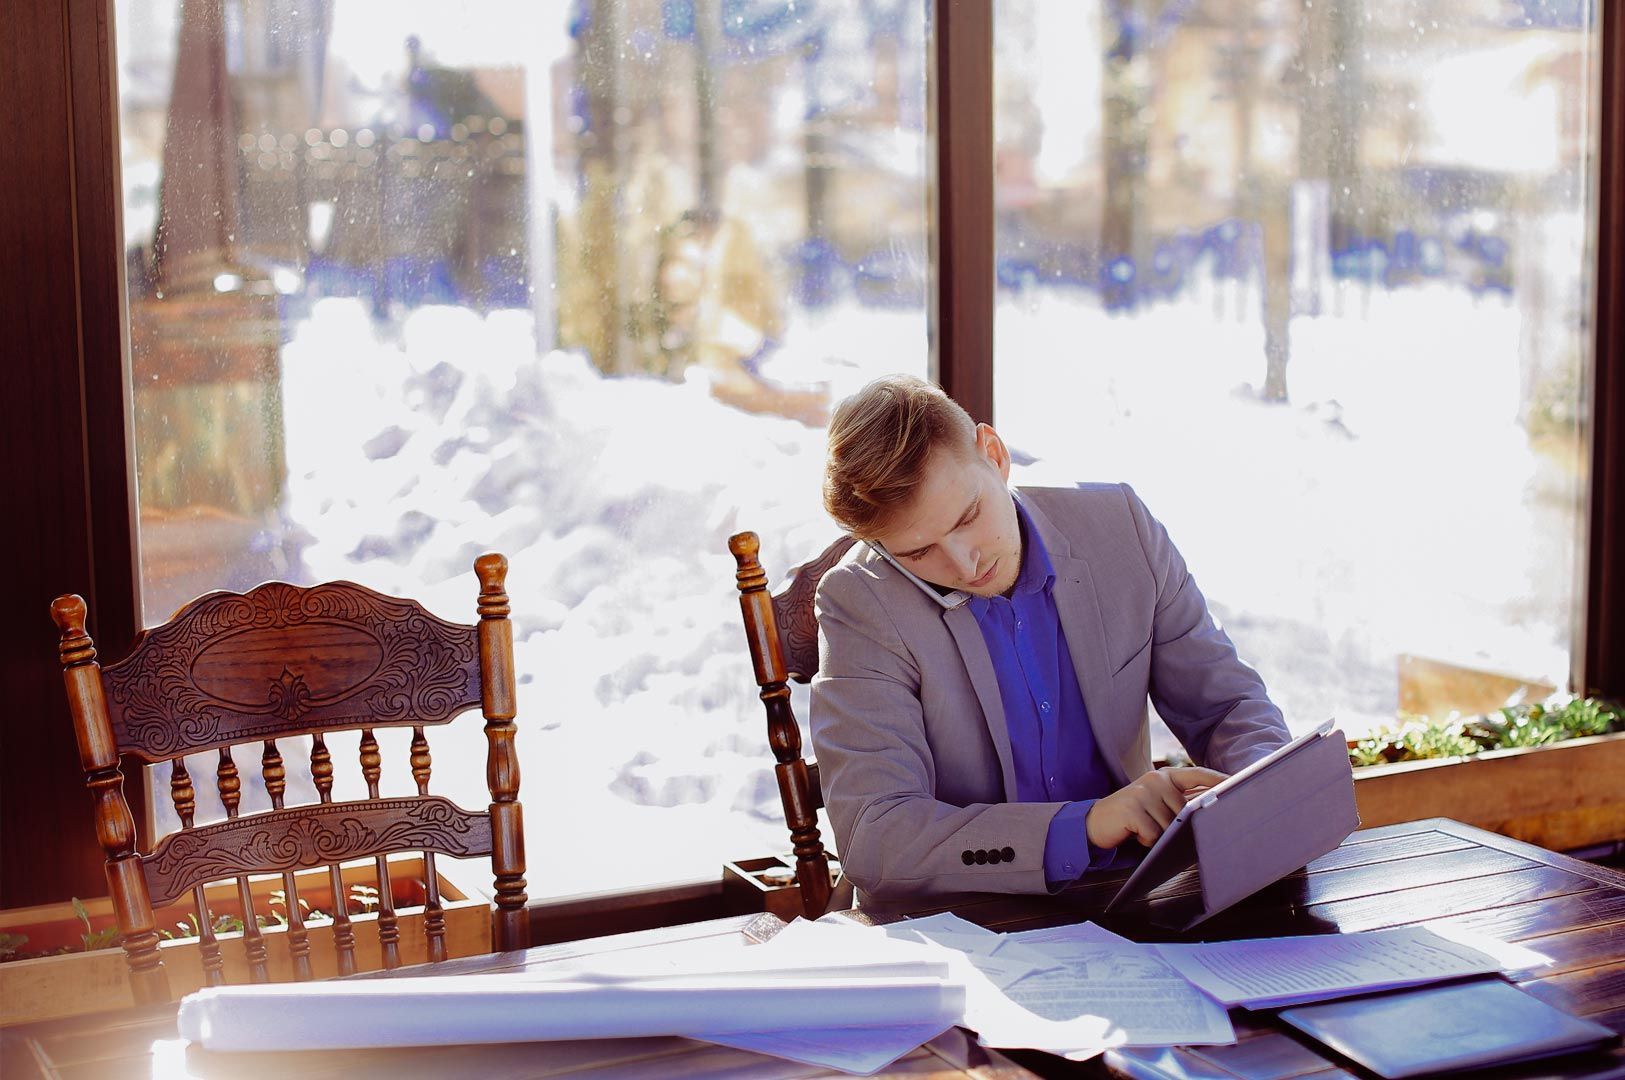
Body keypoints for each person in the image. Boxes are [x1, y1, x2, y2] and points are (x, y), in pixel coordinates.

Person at [811, 375, 1290, 903]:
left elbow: (1227, 705)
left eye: (968, 516)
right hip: (962, 921)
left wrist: (1261, 800)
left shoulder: (1121, 528)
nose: (964, 562)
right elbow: (878, 836)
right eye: (918, 553)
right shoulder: (859, 601)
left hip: (1133, 895)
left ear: (993, 454)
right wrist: (1082, 827)